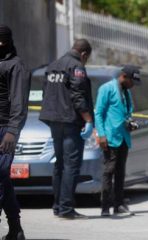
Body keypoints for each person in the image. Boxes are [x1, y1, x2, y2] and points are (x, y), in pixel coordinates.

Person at [39, 39, 94, 219]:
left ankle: (57, 206)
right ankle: (66, 208)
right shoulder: (76, 66)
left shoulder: (53, 66)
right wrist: (88, 120)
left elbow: (46, 92)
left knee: (60, 164)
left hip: (54, 120)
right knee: (71, 165)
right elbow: (78, 95)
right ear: (84, 54)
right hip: (70, 121)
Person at [95, 65, 140, 217]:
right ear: (124, 76)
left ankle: (119, 204)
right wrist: (101, 135)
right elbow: (99, 113)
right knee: (109, 171)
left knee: (120, 172)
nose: (133, 85)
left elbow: (127, 112)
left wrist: (130, 122)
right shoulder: (106, 89)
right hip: (110, 138)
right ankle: (105, 206)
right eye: (132, 81)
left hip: (124, 138)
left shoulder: (126, 92)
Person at [0, 24, 30, 240]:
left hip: (4, 130)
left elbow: (19, 103)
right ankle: (15, 227)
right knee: (3, 178)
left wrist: (12, 131)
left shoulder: (15, 65)